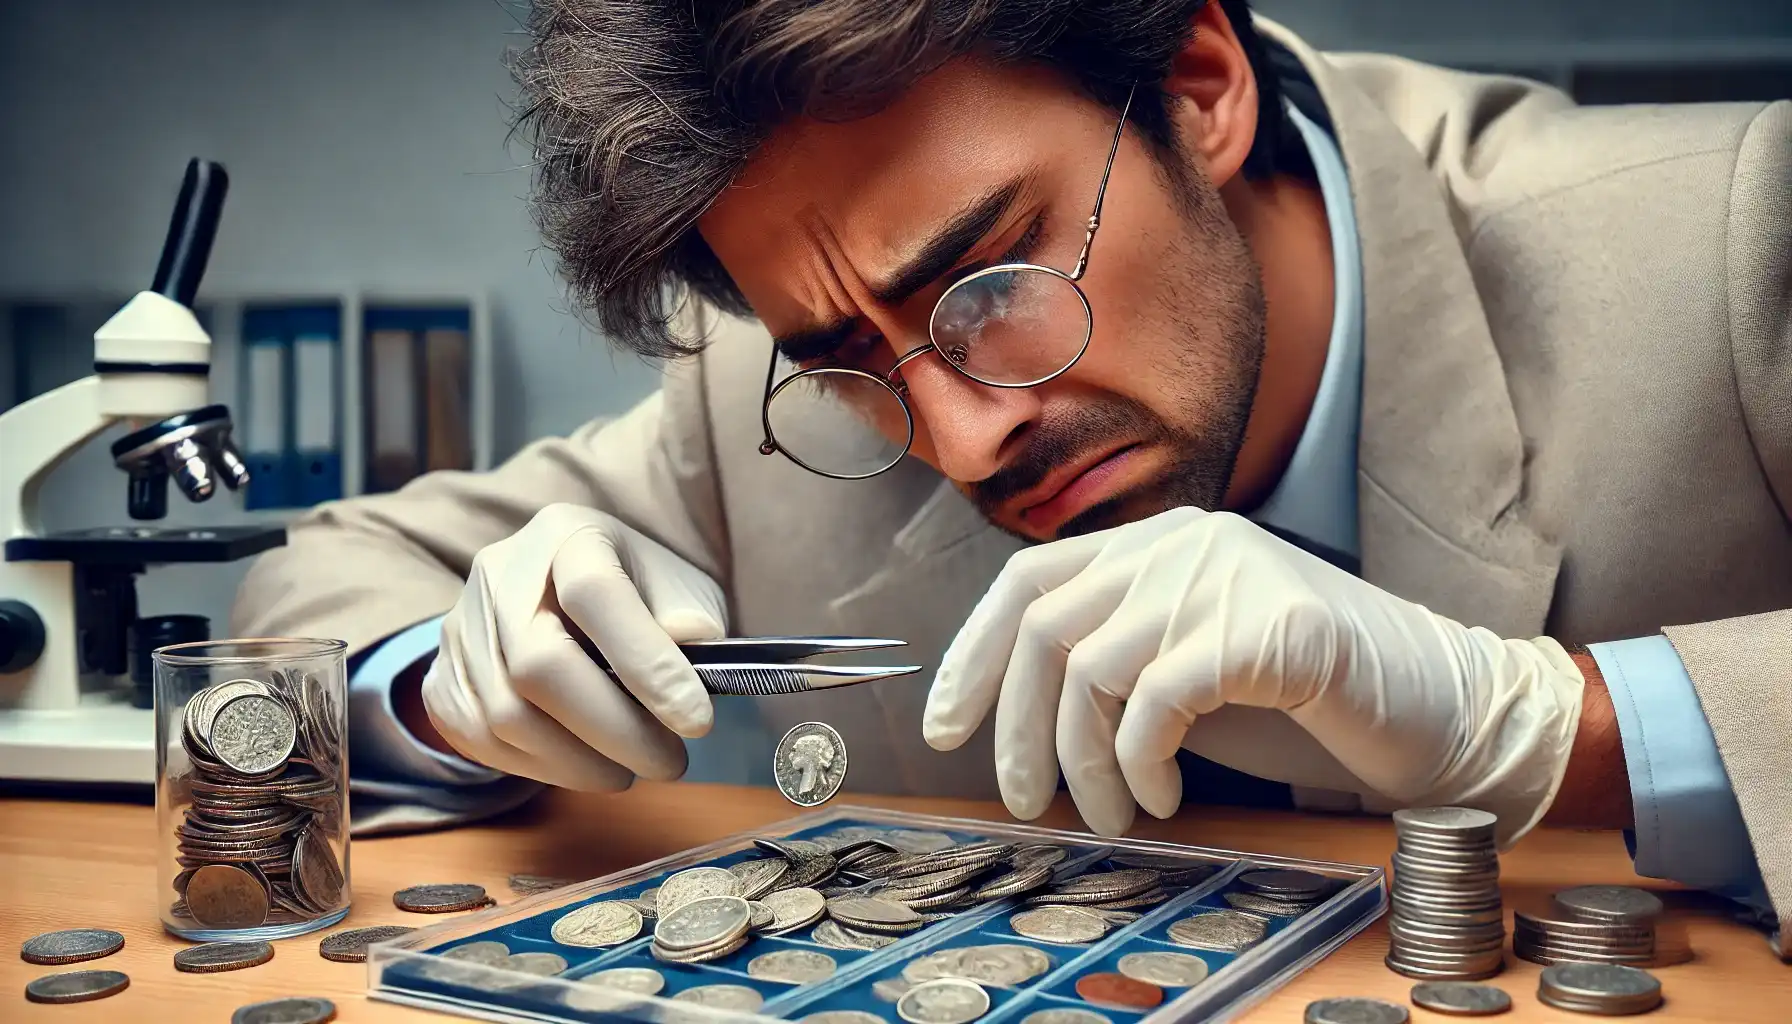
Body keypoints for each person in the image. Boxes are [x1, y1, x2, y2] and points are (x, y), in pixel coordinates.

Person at [231, 0, 1792, 932]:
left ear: (1198, 82)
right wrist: (444, 682)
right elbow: (315, 583)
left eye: (987, 281)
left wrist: (1553, 733)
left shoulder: (1735, 241)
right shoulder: (769, 392)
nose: (963, 437)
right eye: (849, 361)